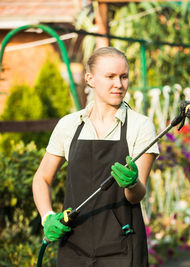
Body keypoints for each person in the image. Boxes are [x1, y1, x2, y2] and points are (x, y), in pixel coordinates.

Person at [32, 47, 159, 266]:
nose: (119, 84)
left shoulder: (141, 125)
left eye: (124, 76)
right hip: (74, 246)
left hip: (122, 248)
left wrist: (131, 182)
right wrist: (47, 217)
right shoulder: (69, 125)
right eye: (110, 76)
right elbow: (42, 178)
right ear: (90, 79)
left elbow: (136, 195)